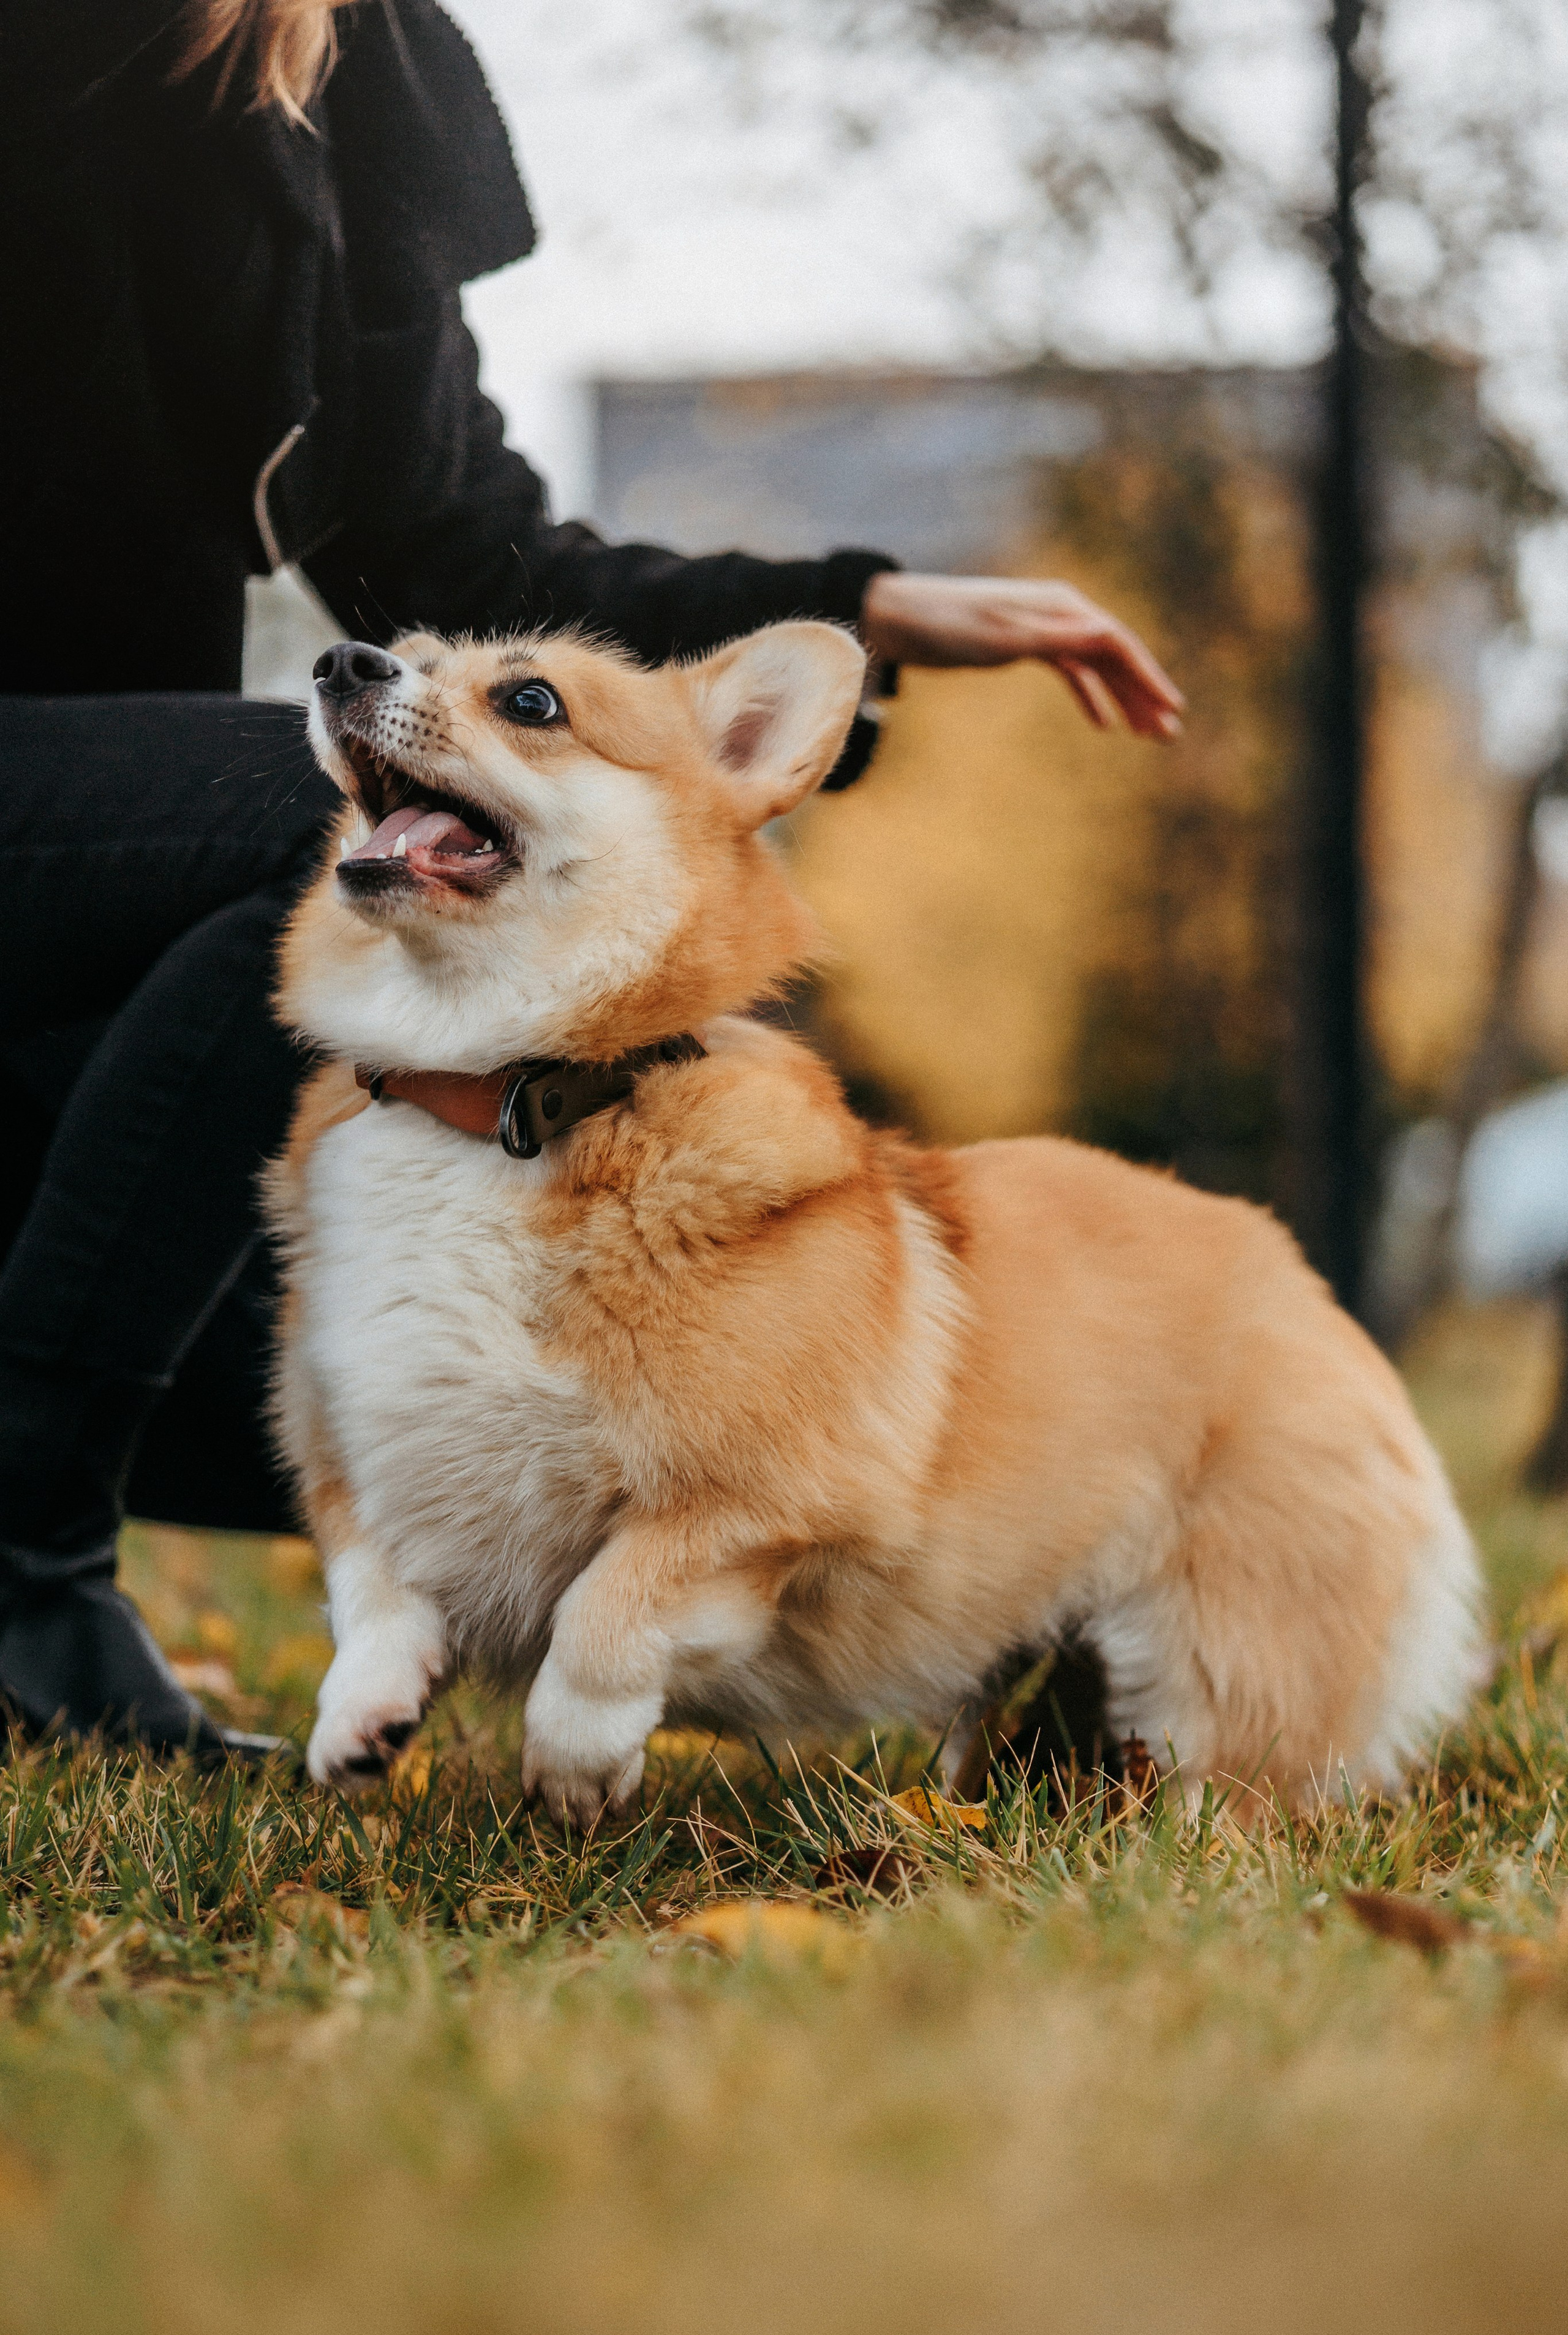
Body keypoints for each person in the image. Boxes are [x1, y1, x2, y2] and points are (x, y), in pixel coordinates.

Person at [0, 0, 1183, 1759]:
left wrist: (863, 610)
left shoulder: (349, 69)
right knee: (324, 836)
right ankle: (25, 1575)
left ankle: (991, 1588)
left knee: (418, 1357)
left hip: (79, 863)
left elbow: (466, 542)